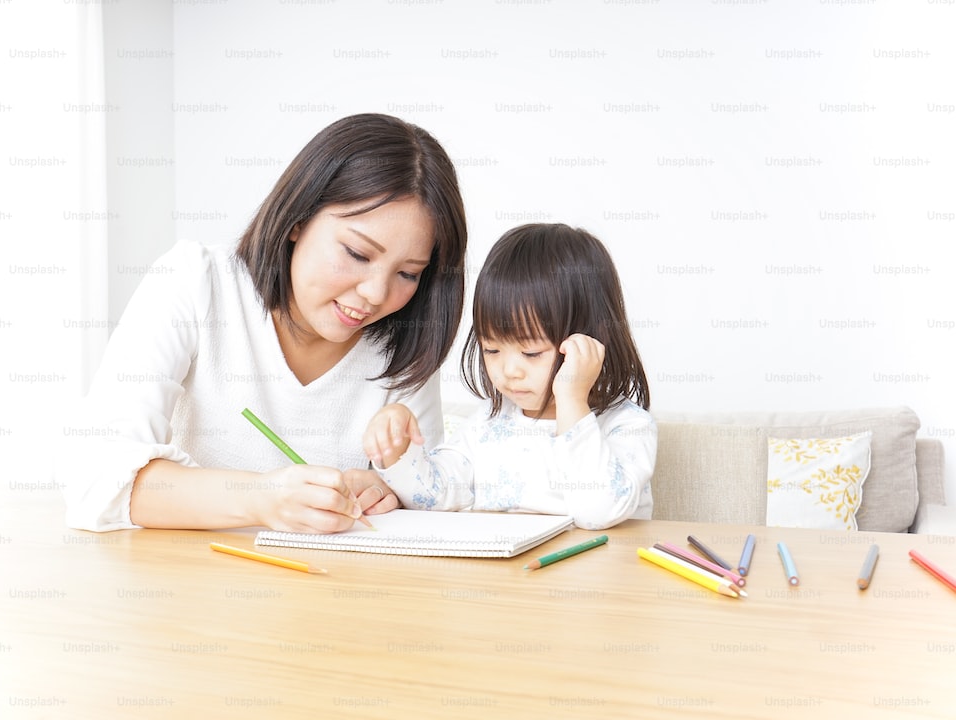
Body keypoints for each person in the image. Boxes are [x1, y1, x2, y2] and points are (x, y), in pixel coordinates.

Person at [59, 113, 467, 533]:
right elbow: (95, 481)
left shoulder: (405, 338)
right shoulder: (196, 284)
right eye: (358, 254)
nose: (377, 294)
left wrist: (388, 491)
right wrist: (260, 499)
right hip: (184, 584)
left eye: (408, 273)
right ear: (298, 220)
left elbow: (430, 495)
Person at [363, 223, 655, 531]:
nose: (509, 371)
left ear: (588, 343)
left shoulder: (627, 428)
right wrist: (399, 450)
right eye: (492, 350)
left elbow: (597, 513)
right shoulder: (488, 426)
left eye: (531, 353)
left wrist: (572, 398)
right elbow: (435, 495)